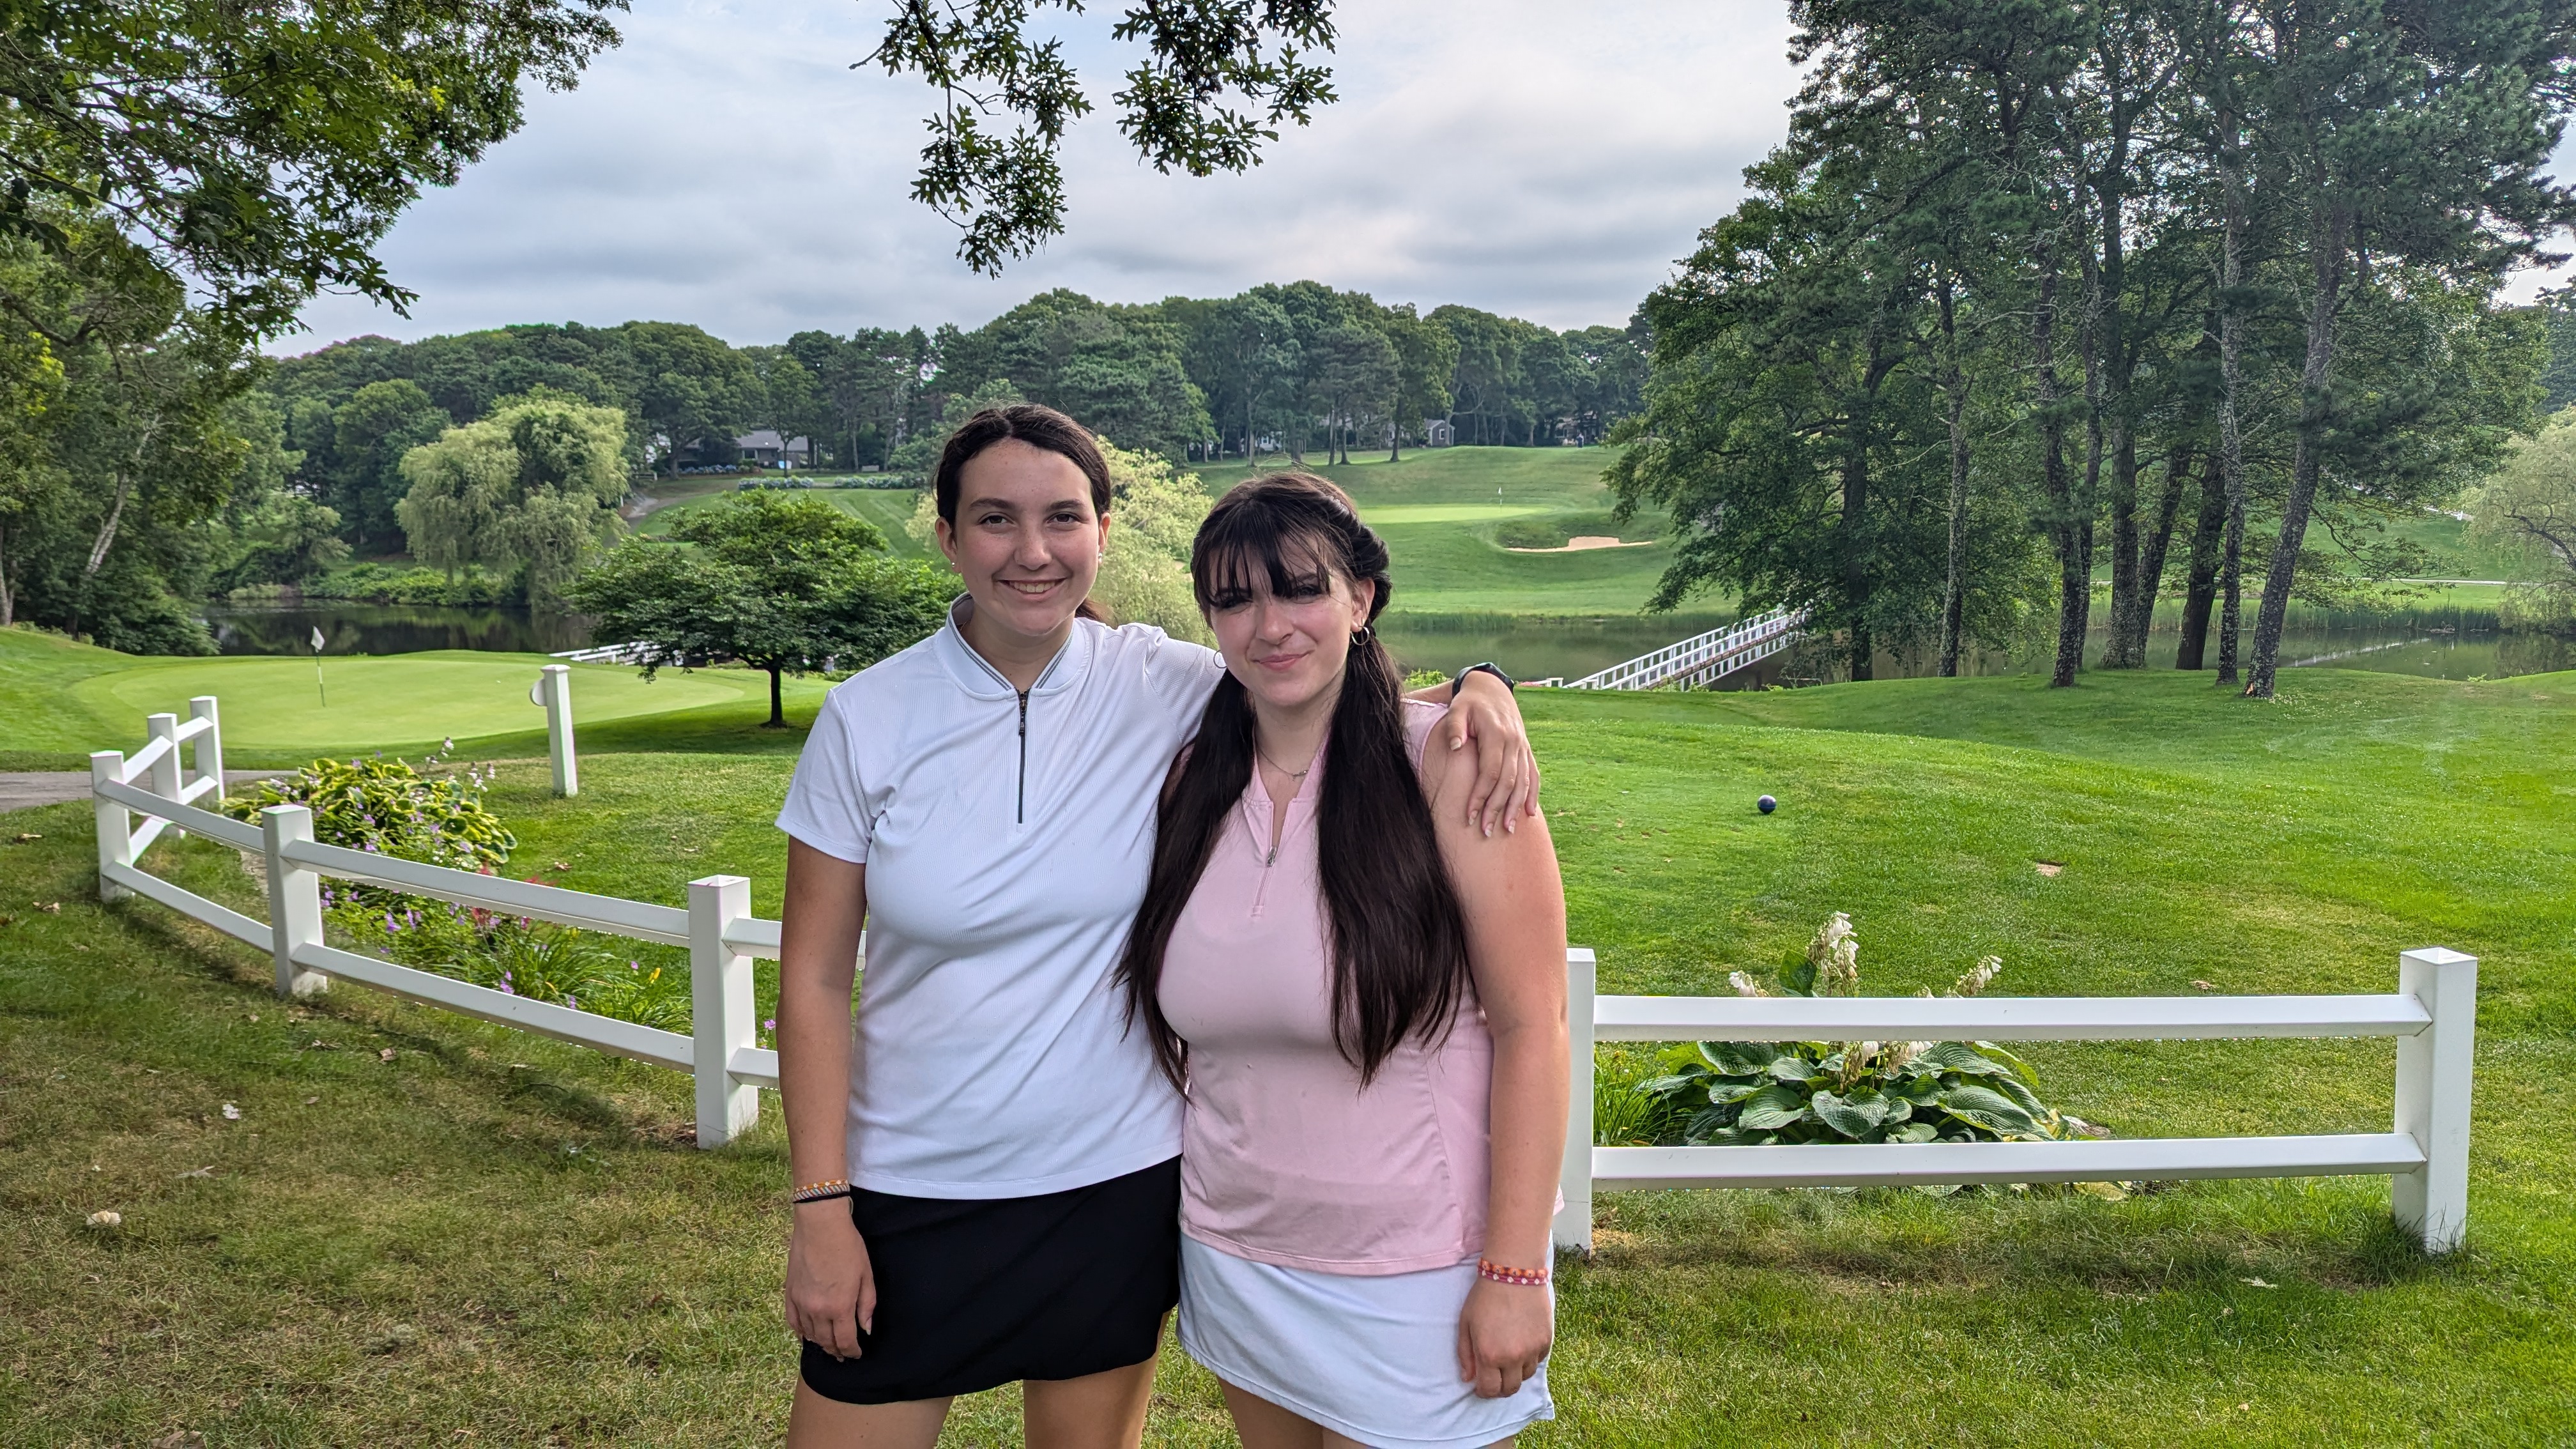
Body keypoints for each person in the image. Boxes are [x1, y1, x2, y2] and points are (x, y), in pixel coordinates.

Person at [770, 406, 1538, 1449]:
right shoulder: (866, 718)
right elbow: (815, 981)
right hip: (911, 1187)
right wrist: (821, 1207)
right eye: (994, 519)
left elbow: (1332, 681)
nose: (1032, 551)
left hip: (1112, 1191)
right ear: (946, 536)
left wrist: (1486, 684)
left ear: (1103, 530)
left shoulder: (1164, 682)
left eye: (1062, 518)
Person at [1119, 473, 1569, 1448]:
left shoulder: (1451, 763)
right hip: (1236, 1253)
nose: (1270, 625)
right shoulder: (1190, 780)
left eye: (1301, 589)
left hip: (1419, 1272)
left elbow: (1534, 1025)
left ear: (1361, 599)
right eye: (1235, 599)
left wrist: (1516, 1269)